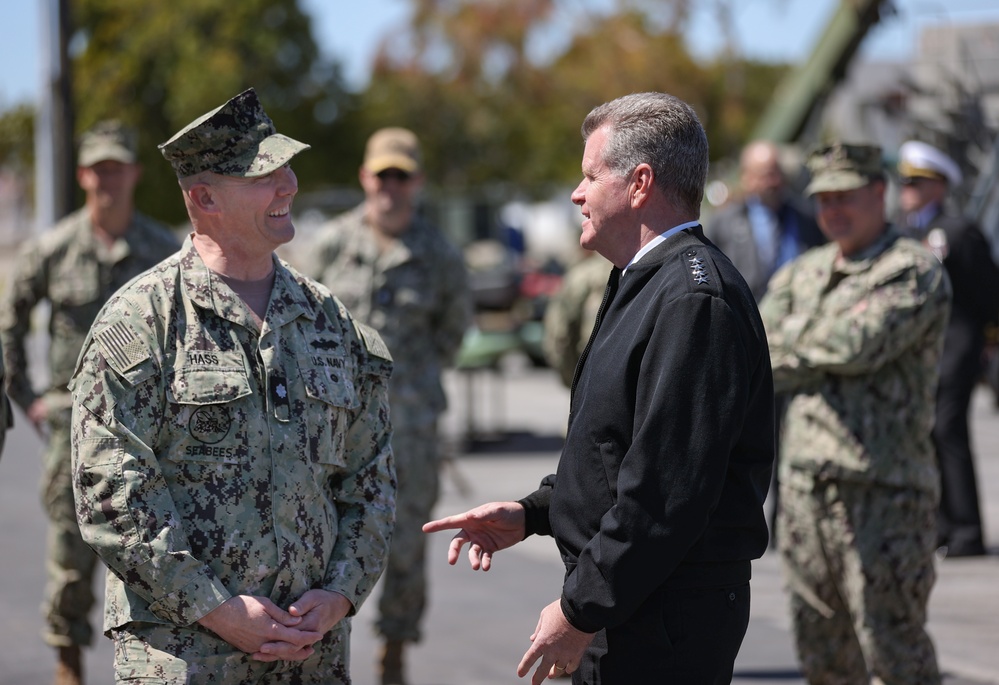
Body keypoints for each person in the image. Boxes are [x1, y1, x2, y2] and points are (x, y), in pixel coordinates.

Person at [424, 92, 775, 684]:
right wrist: (534, 512)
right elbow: (616, 449)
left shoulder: (692, 299)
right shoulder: (644, 281)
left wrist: (580, 608)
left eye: (590, 175)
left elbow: (665, 491)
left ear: (639, 183)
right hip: (633, 599)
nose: (576, 193)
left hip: (661, 615)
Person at [69, 88, 396, 684]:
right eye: (264, 174)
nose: (289, 184)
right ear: (204, 197)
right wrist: (217, 608)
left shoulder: (329, 320)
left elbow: (371, 477)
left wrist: (342, 594)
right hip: (186, 653)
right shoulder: (140, 323)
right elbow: (112, 498)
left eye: (286, 167)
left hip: (311, 656)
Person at [760, 142, 951, 684]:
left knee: (894, 648)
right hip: (804, 490)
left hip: (884, 492)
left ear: (878, 193)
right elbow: (753, 350)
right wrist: (802, 347)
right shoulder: (804, 272)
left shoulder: (912, 271)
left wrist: (793, 344)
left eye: (846, 196)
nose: (833, 210)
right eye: (824, 198)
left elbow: (851, 345)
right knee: (822, 653)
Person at [0, 119, 179, 685]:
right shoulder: (53, 249)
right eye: (98, 168)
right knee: (70, 566)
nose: (108, 178)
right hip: (71, 428)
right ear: (82, 175)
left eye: (117, 167)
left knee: (155, 553)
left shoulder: (160, 249)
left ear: (135, 173)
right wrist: (27, 397)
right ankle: (68, 666)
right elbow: (9, 320)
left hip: (148, 434)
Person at [302, 126, 471, 685]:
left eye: (402, 176)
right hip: (334, 429)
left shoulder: (439, 254)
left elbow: (452, 331)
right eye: (383, 175)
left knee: (405, 546)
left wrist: (413, 387)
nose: (391, 187)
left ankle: (394, 651)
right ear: (365, 178)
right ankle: (320, 653)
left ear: (417, 181)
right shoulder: (331, 246)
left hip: (410, 430)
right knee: (321, 540)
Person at [897, 140, 999, 558]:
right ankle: (939, 525)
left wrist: (988, 340)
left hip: (956, 346)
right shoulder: (906, 232)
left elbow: (988, 292)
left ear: (939, 186)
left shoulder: (957, 230)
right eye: (905, 182)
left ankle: (967, 529)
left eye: (917, 183)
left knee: (947, 430)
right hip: (921, 350)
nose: (908, 190)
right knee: (925, 434)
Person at [705, 140, 824, 301]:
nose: (774, 182)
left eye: (777, 173)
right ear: (747, 177)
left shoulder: (806, 217)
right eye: (766, 175)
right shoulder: (724, 223)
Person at [541, 250, 613, 388]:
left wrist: (574, 382)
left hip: (592, 378)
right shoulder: (654, 270)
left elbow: (559, 335)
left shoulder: (582, 275)